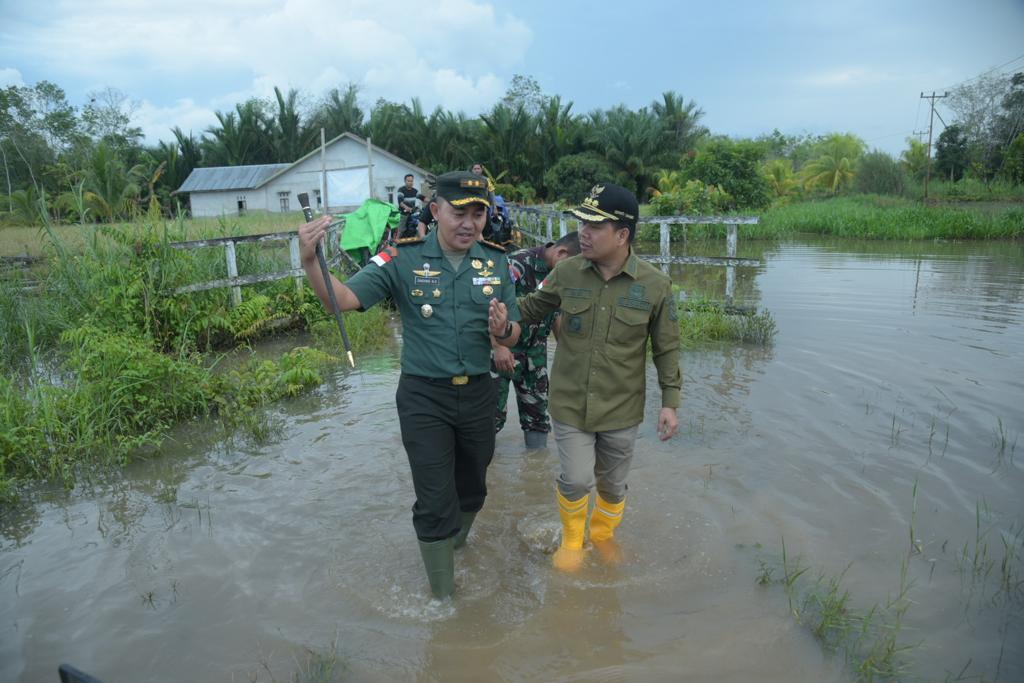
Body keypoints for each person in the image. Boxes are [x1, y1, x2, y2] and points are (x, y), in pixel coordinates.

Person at [299, 171, 524, 599]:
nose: (469, 223)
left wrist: (504, 328)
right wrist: (311, 260)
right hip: (425, 398)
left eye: (478, 213)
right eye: (459, 212)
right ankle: (444, 601)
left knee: (473, 488)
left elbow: (513, 334)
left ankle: (454, 546)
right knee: (435, 498)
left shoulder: (496, 261)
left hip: (479, 393)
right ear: (436, 211)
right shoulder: (402, 259)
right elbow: (341, 301)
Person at [488, 182, 681, 572]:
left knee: (611, 487)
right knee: (576, 480)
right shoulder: (567, 274)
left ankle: (603, 535)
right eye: (581, 224)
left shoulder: (655, 286)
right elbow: (528, 309)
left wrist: (670, 404)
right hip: (571, 403)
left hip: (621, 407)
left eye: (594, 227)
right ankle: (573, 542)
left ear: (622, 235)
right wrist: (501, 323)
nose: (582, 234)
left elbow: (667, 348)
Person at [492, 232, 581, 449]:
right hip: (502, 351)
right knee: (490, 417)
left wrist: (568, 356)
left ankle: (536, 471)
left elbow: (557, 315)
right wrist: (499, 346)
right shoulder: (517, 264)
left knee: (538, 417)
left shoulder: (561, 275)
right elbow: (491, 305)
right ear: (561, 253)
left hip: (535, 353)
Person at [396, 173, 423, 238]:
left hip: (412, 213)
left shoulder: (415, 191)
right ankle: (395, 244)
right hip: (404, 213)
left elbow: (423, 198)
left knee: (419, 225)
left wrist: (432, 200)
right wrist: (407, 208)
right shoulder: (401, 190)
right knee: (401, 230)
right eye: (408, 181)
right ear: (405, 181)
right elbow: (401, 203)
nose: (410, 182)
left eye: (411, 181)